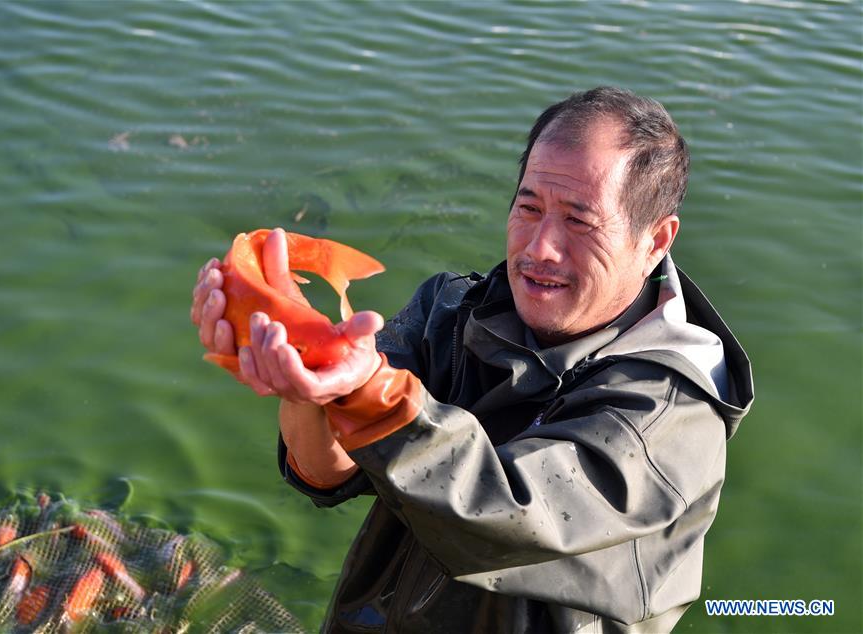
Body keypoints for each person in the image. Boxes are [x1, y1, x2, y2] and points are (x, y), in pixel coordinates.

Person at [191, 86, 754, 633]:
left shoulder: (672, 411)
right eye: (528, 207)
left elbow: (508, 514)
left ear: (656, 239)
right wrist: (303, 370)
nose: (539, 248)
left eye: (579, 221)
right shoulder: (453, 310)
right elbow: (326, 469)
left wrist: (369, 390)